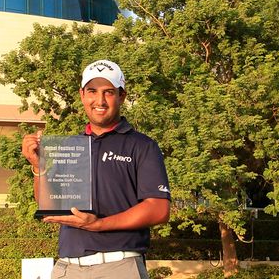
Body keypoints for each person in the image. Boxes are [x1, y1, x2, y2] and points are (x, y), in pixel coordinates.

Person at [22, 59, 171, 279]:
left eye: (108, 92)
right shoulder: (70, 146)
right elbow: (51, 204)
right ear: (82, 95)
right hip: (67, 268)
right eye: (92, 91)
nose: (99, 100)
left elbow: (159, 209)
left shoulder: (142, 145)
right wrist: (38, 166)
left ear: (122, 96)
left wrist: (99, 224)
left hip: (119, 267)